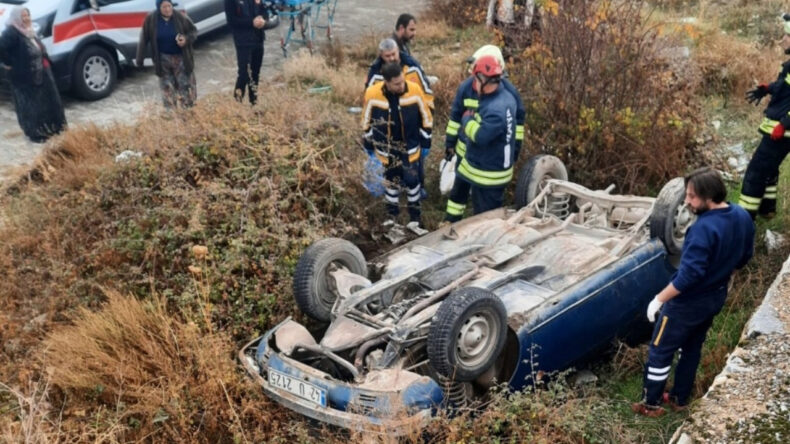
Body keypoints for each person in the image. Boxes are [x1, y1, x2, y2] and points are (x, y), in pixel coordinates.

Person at [632, 167, 754, 417]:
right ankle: (679, 398)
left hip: (686, 304)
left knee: (660, 349)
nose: (686, 201)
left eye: (691, 196)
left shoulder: (702, 230)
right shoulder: (741, 216)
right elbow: (744, 256)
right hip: (714, 298)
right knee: (692, 347)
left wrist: (659, 299)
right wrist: (724, 273)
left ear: (708, 196)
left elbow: (689, 275)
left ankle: (651, 404)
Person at [445, 55, 517, 222]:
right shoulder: (504, 97)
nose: (473, 83)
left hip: (487, 174)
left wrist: (467, 120)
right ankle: (450, 221)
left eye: (475, 79)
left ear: (483, 79)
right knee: (458, 190)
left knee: (485, 220)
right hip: (480, 164)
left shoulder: (495, 110)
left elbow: (480, 136)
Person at [362, 62, 432, 232]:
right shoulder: (373, 93)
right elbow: (366, 121)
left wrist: (426, 141)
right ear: (386, 82)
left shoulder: (414, 90)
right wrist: (369, 145)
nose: (402, 86)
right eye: (397, 84)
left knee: (412, 181)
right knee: (391, 182)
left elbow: (426, 117)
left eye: (402, 81)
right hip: (386, 149)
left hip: (410, 146)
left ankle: (415, 216)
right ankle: (391, 216)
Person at [739, 15, 790, 220]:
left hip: (782, 130)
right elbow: (785, 87)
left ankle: (743, 219)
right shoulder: (788, 65)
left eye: (787, 35)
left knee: (756, 172)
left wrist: (784, 124)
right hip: (780, 129)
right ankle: (766, 209)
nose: (783, 39)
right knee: (770, 167)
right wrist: (768, 88)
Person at [445, 44, 525, 163]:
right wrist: (450, 143)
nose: (474, 81)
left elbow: (517, 126)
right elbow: (455, 118)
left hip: (490, 157)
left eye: (479, 77)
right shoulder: (465, 88)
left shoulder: (510, 94)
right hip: (464, 154)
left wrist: (514, 151)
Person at [0, 7, 66, 143]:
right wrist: (8, 64)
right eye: (23, 16)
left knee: (49, 101)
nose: (26, 18)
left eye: (27, 15)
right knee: (32, 106)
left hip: (41, 71)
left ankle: (55, 128)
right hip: (24, 77)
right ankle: (37, 133)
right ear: (16, 18)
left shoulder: (29, 30)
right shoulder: (11, 32)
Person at [136, 0, 198, 109]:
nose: (168, 9)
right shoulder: (151, 19)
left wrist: (186, 39)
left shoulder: (180, 17)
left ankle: (188, 114)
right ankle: (172, 117)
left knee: (185, 88)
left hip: (181, 59)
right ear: (159, 8)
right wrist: (139, 60)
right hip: (163, 60)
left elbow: (193, 31)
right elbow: (143, 39)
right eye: (164, 7)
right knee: (167, 89)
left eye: (169, 6)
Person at [225, 0, 268, 105]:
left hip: (258, 38)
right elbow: (231, 21)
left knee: (255, 73)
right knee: (244, 74)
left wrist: (263, 20)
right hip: (243, 41)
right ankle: (237, 103)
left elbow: (264, 11)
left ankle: (254, 102)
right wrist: (251, 22)